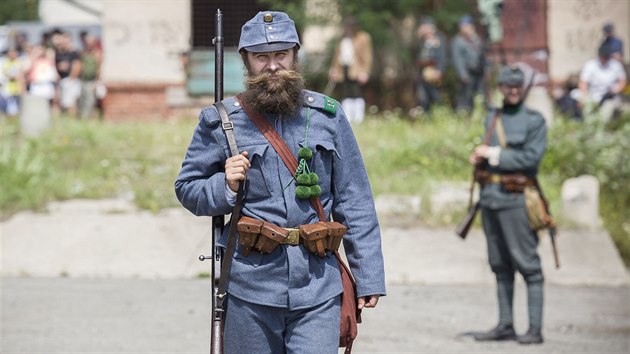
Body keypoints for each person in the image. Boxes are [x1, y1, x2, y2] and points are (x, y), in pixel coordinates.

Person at [175, 11, 385, 354]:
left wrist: (369, 276)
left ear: (294, 56)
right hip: (249, 288)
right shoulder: (221, 121)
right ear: (246, 61)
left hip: (318, 285)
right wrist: (224, 186)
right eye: (261, 57)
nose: (272, 66)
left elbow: (355, 199)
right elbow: (187, 187)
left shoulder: (328, 116)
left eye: (281, 55)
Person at [469, 65, 547, 345]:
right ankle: (505, 324)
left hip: (517, 199)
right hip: (490, 198)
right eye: (507, 85)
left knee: (529, 265)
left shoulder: (534, 120)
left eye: (517, 86)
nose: (513, 90)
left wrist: (493, 153)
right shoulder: (493, 116)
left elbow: (530, 160)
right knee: (500, 265)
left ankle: (535, 329)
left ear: (523, 88)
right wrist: (480, 158)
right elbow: (490, 154)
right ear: (500, 87)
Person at [328, 16, 373, 124]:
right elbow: (337, 56)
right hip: (344, 68)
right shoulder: (342, 38)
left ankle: (358, 118)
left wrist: (365, 72)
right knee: (346, 93)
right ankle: (347, 117)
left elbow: (368, 56)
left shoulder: (363, 37)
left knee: (357, 93)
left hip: (357, 70)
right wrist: (334, 69)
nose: (347, 29)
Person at [578, 43, 627, 123]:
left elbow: (623, 81)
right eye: (603, 57)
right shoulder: (591, 65)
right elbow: (583, 82)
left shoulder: (615, 65)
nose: (604, 59)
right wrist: (582, 97)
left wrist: (616, 89)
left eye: (606, 57)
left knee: (605, 116)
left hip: (610, 98)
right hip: (594, 96)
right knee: (588, 116)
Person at [451, 14, 484, 115]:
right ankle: (463, 115)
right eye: (463, 26)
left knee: (479, 95)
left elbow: (482, 55)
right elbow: (457, 58)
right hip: (467, 73)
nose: (466, 29)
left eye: (467, 26)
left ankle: (477, 114)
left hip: (478, 72)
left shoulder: (476, 39)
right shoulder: (458, 41)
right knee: (465, 97)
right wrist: (462, 73)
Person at [415, 16, 447, 114]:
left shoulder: (438, 41)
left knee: (435, 95)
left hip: (434, 72)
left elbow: (442, 57)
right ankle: (426, 115)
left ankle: (439, 114)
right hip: (422, 73)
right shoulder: (421, 42)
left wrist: (440, 70)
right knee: (423, 97)